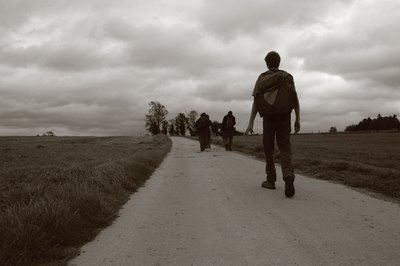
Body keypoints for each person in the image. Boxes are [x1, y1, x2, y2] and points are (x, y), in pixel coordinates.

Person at [244, 51, 300, 198]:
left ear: (267, 63)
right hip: (285, 117)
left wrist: (250, 123)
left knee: (268, 149)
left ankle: (271, 180)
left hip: (268, 119)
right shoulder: (288, 77)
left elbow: (256, 102)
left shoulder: (262, 77)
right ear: (279, 62)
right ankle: (288, 175)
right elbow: (295, 99)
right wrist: (297, 119)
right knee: (285, 148)